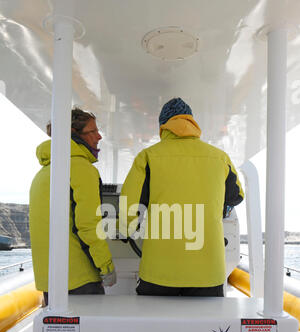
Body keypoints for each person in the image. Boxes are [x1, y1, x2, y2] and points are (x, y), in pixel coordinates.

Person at [119, 97, 244, 297]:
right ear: (192, 122)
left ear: (163, 126)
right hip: (208, 272)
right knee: (205, 328)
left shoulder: (148, 157)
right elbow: (236, 196)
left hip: (159, 271)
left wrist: (126, 230)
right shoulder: (220, 158)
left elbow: (130, 206)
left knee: (154, 327)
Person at [29, 107, 116, 305]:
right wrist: (106, 266)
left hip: (51, 281)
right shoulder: (80, 169)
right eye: (92, 131)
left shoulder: (43, 174)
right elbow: (87, 225)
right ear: (74, 135)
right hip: (79, 278)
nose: (99, 136)